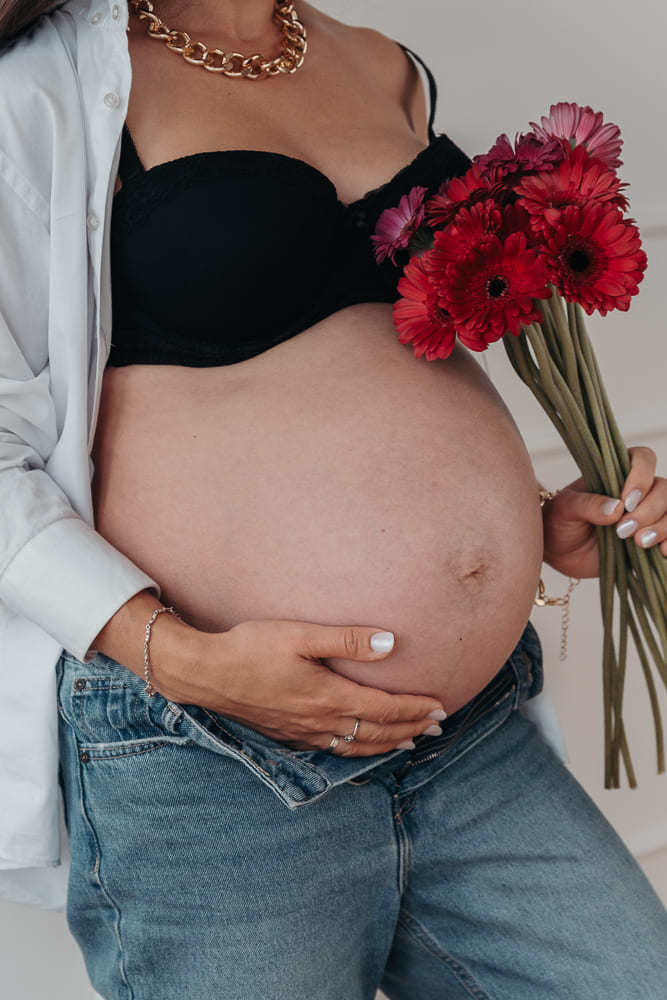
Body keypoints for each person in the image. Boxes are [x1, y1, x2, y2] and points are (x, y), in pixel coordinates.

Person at [1, 0, 666, 996]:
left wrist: (530, 526)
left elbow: (374, 363)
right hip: (215, 754)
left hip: (464, 730)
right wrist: (182, 659)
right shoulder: (44, 92)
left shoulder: (379, 62)